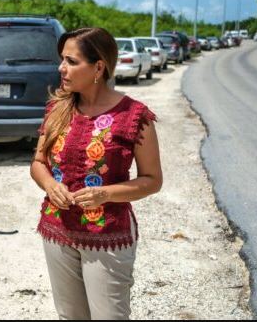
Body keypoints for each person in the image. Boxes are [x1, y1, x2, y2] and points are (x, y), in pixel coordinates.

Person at [30, 28, 162, 320]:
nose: (61, 68)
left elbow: (152, 180)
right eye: (62, 59)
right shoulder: (57, 108)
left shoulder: (134, 116)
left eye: (71, 61)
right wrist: (50, 185)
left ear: (98, 67)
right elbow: (38, 162)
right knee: (70, 316)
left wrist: (105, 194)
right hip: (57, 230)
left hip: (107, 235)